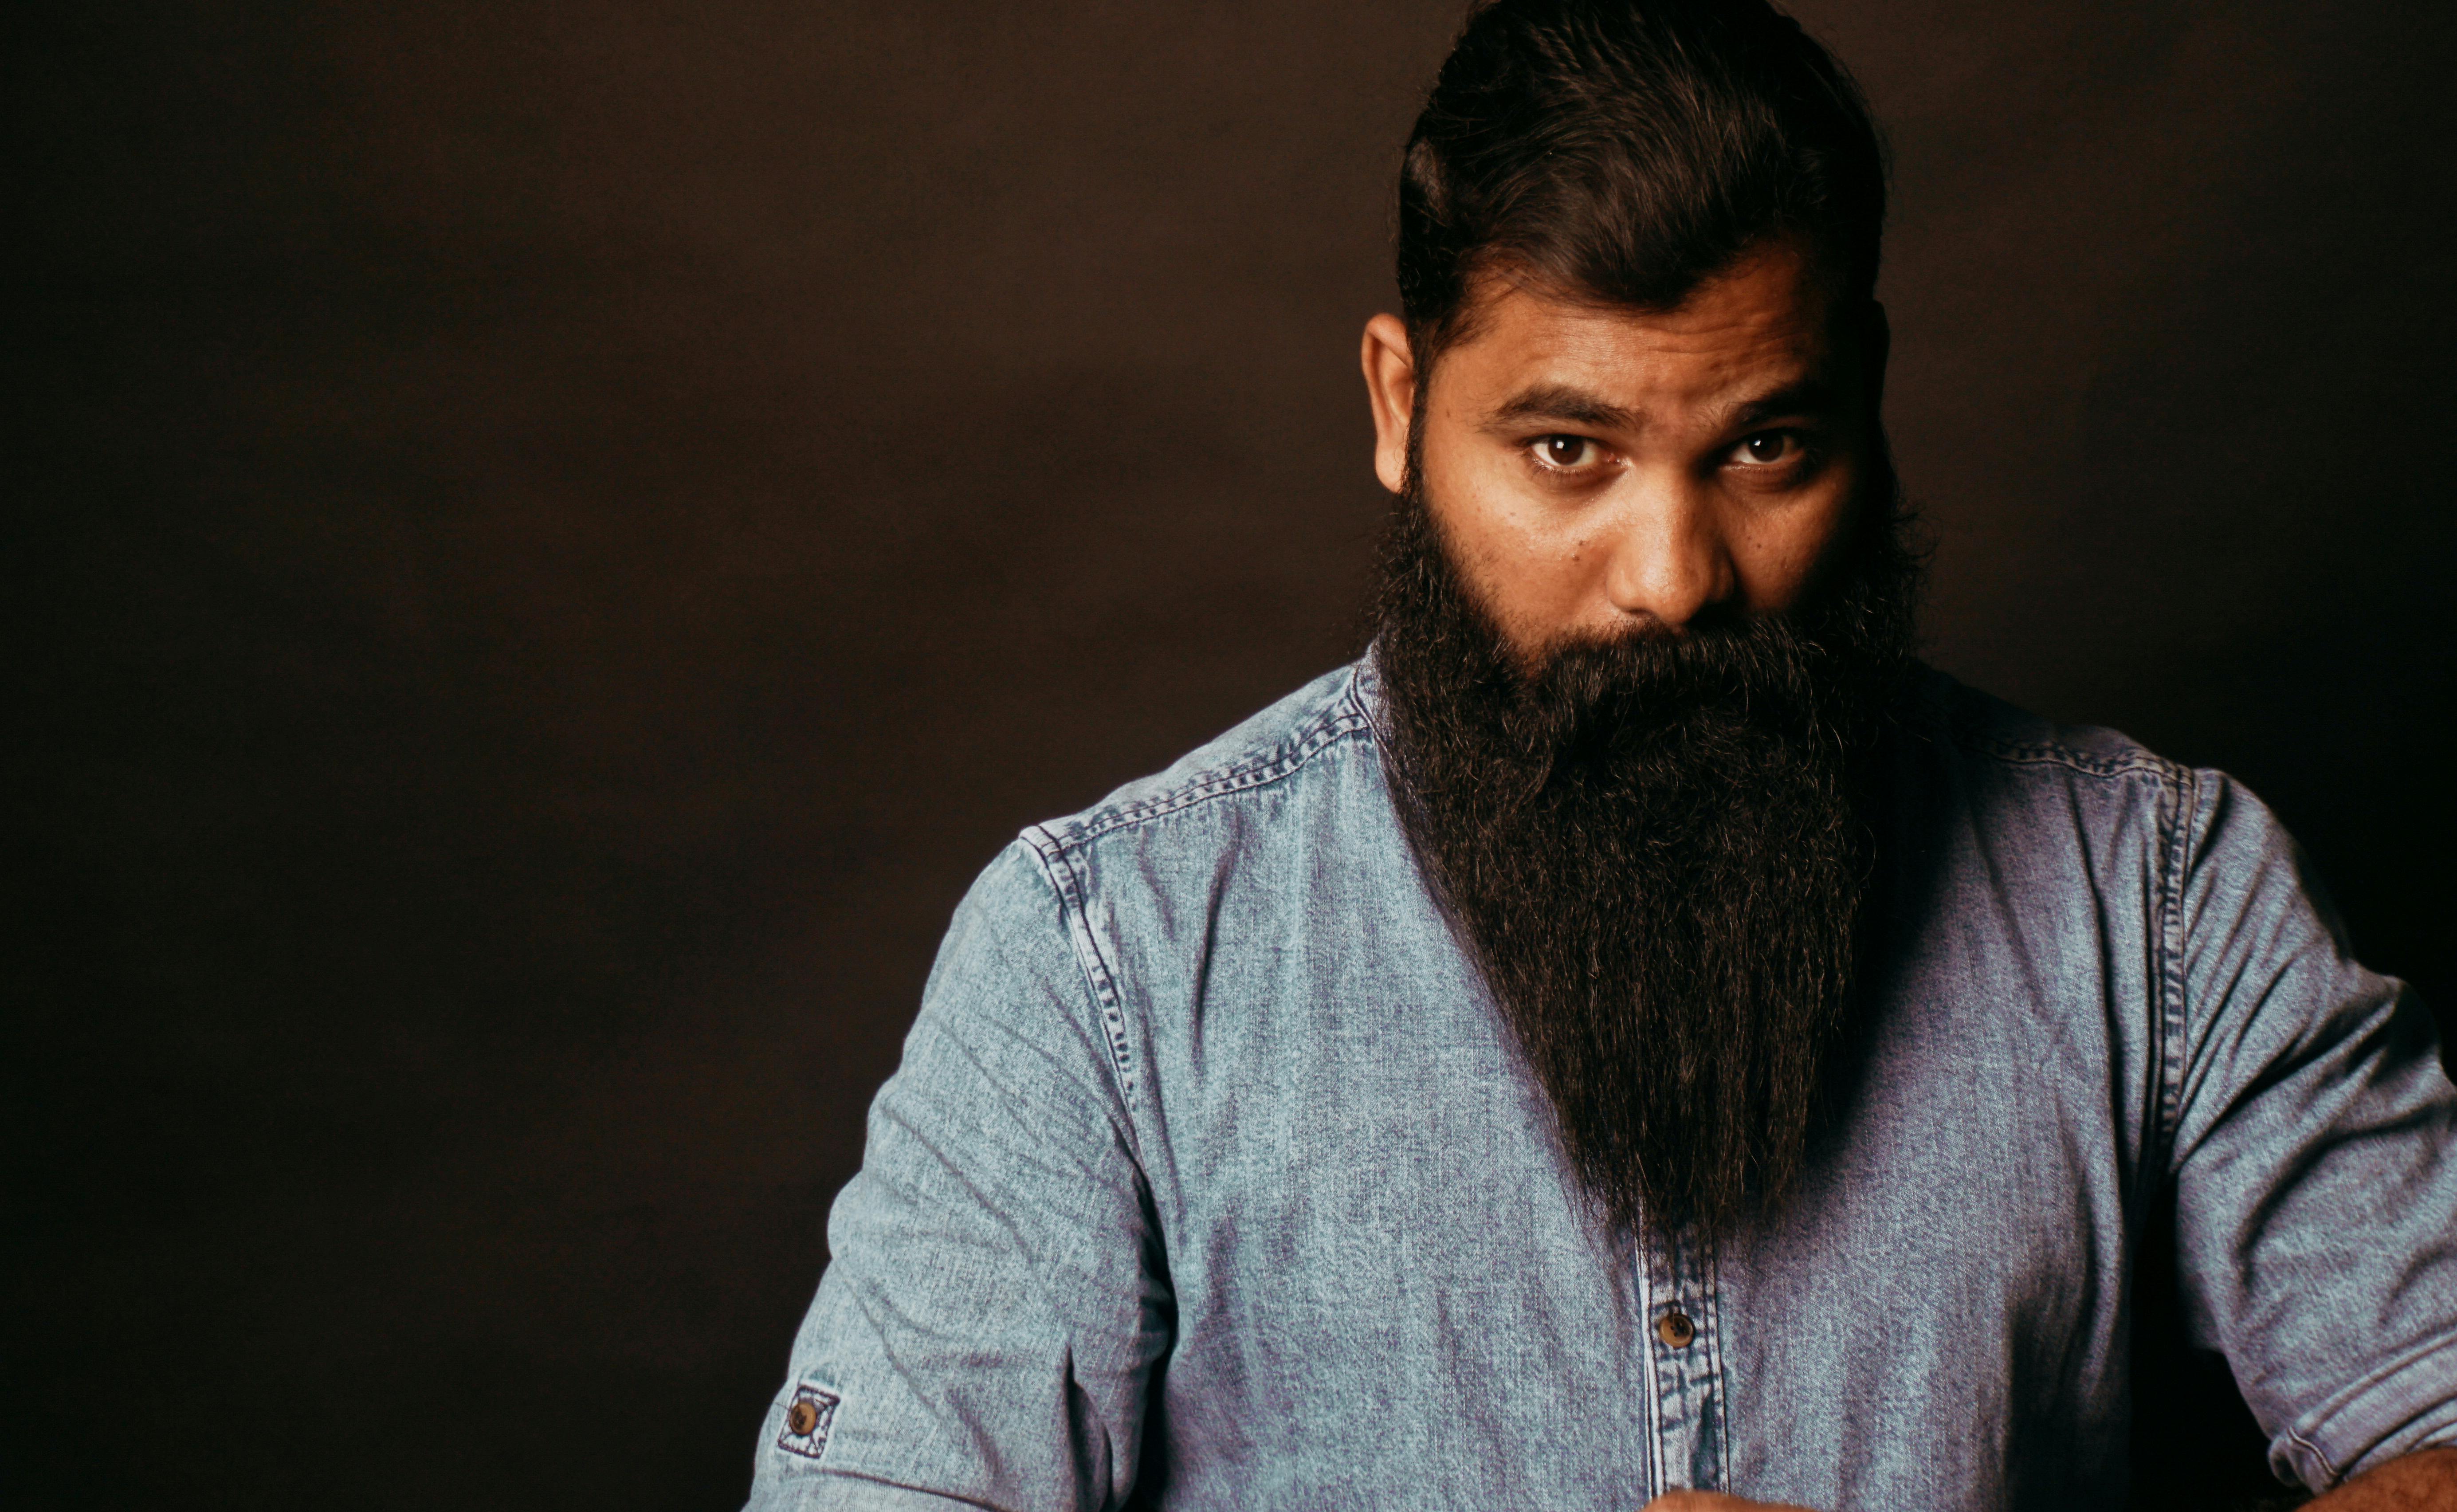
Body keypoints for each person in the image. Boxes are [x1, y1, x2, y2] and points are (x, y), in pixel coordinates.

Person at [744, 2, 2457, 1507]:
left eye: (1766, 446)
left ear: (1866, 397)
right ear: (1398, 408)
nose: (1675, 577)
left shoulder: (2160, 898)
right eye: (1567, 450)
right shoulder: (1098, 964)